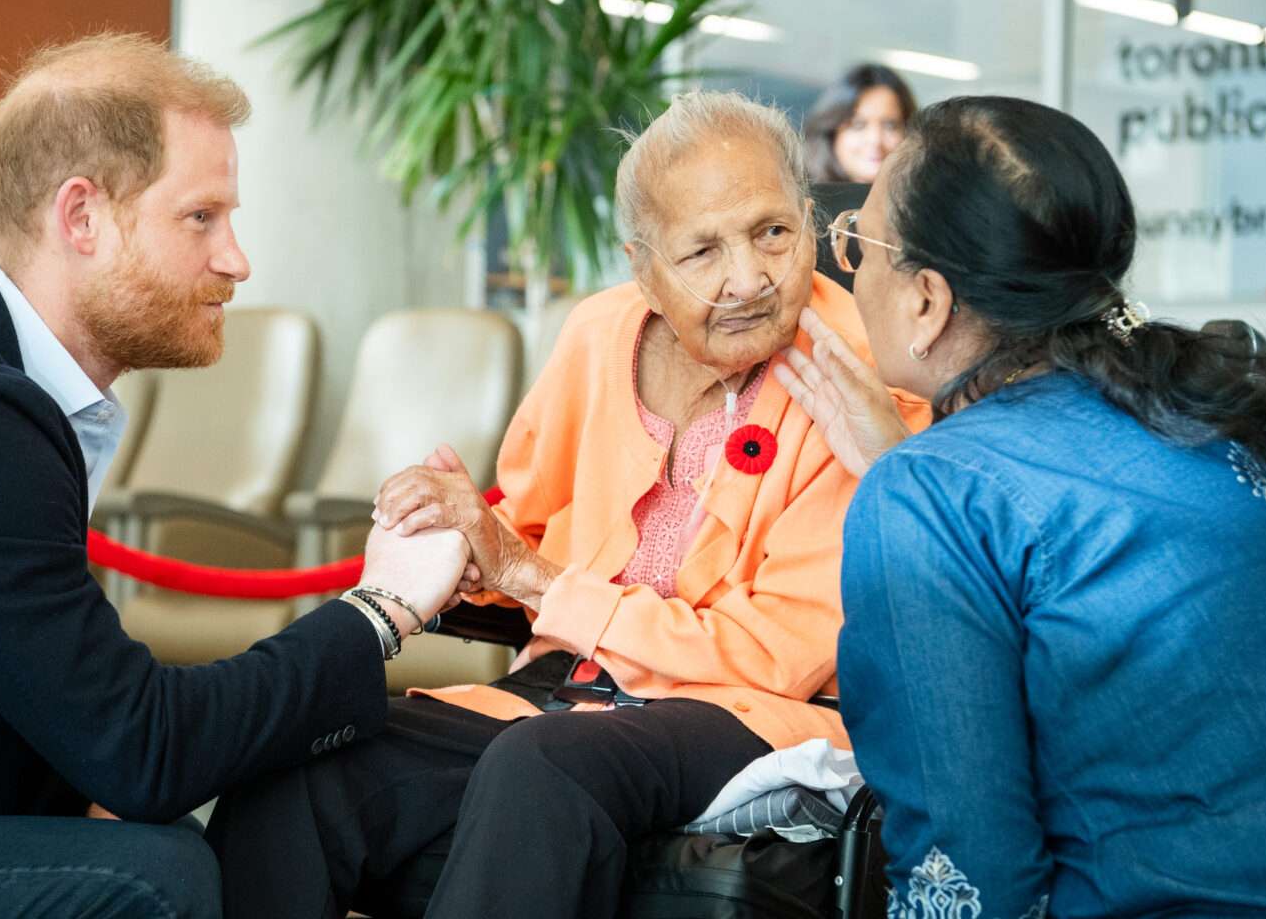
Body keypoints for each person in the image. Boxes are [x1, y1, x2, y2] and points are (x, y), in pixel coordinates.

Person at [204, 91, 930, 919]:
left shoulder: (858, 373)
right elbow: (534, 535)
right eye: (702, 251)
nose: (749, 278)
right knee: (300, 773)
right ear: (644, 267)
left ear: (808, 219)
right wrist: (469, 541)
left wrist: (538, 577)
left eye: (772, 232)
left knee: (547, 762)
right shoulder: (598, 334)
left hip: (748, 713)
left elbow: (776, 655)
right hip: (563, 691)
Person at [0, 33, 468, 919]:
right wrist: (383, 609)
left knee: (161, 844)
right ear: (82, 219)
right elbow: (142, 747)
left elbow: (70, 709)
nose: (237, 259)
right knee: (154, 878)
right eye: (201, 218)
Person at [774, 95, 1266, 915]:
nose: (848, 270)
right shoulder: (1212, 416)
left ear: (929, 301)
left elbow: (967, 879)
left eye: (858, 245)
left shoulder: (931, 494)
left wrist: (922, 486)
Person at [804, 63, 916, 185]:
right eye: (858, 125)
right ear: (832, 133)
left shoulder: (925, 201)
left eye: (890, 126)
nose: (875, 140)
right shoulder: (800, 200)